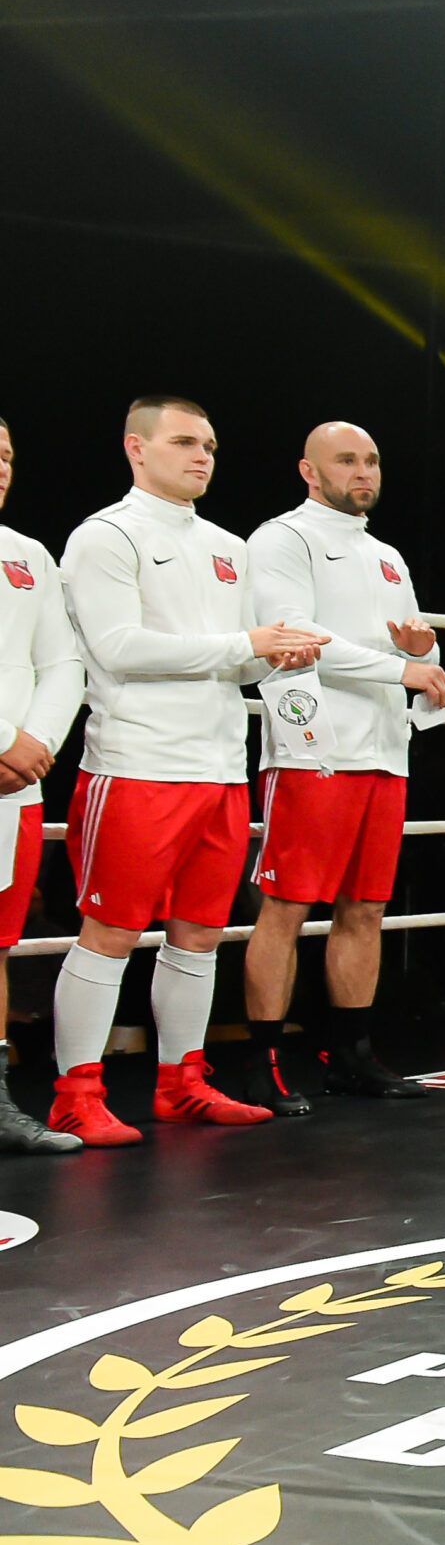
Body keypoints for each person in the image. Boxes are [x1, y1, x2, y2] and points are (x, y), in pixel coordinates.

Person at [49, 397, 327, 1144]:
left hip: (220, 768)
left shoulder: (227, 545)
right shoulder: (105, 535)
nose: (201, 456)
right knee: (110, 931)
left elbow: (238, 658)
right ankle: (75, 1095)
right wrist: (246, 644)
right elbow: (117, 648)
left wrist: (275, 653)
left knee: (200, 935)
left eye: (208, 445)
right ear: (136, 447)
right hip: (137, 763)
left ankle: (183, 1083)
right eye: (183, 442)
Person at [240, 421, 445, 1116]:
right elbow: (295, 637)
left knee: (366, 908)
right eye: (347, 460)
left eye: (372, 460)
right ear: (309, 470)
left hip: (385, 751)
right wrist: (403, 668)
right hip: (314, 749)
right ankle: (262, 1062)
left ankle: (350, 1055)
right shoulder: (282, 538)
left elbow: (415, 653)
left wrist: (419, 654)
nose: (364, 472)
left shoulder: (387, 555)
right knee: (287, 907)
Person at [0, 415, 84, 1155]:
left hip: (12, 787)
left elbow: (62, 663)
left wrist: (35, 743)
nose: (0, 467)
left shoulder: (27, 554)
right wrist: (5, 742)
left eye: (5, 456)